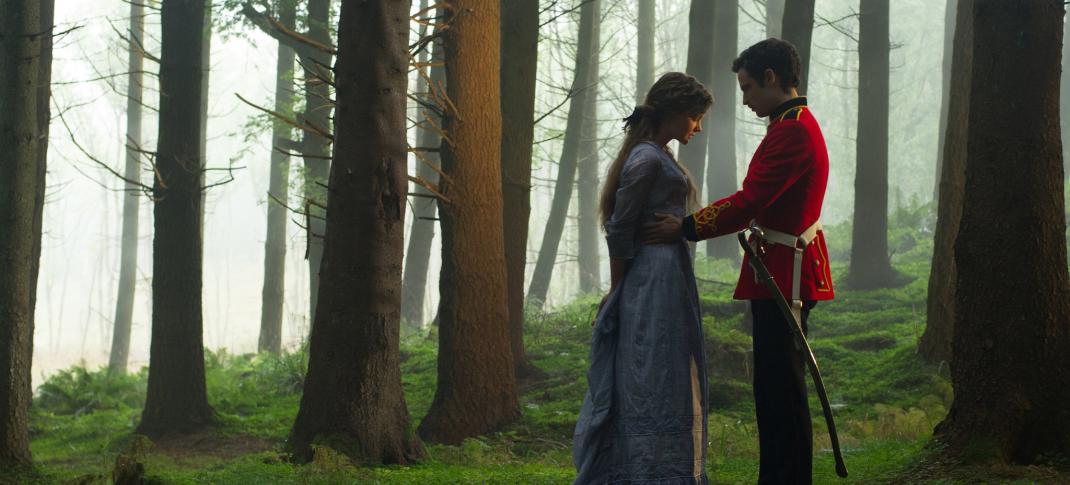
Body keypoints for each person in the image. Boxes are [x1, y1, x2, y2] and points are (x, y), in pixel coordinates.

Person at [642, 38, 836, 485]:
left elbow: (750, 201)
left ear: (771, 78)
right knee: (773, 386)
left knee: (780, 389)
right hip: (778, 268)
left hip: (786, 271)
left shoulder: (792, 130)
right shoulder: (790, 124)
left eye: (748, 87)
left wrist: (687, 228)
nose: (745, 99)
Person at [572, 72, 712, 484]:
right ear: (676, 112)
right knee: (650, 369)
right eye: (695, 117)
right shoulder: (647, 158)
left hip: (667, 276)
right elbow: (620, 226)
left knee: (666, 366)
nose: (698, 126)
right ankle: (644, 470)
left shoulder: (658, 155)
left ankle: (666, 468)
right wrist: (618, 289)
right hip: (650, 279)